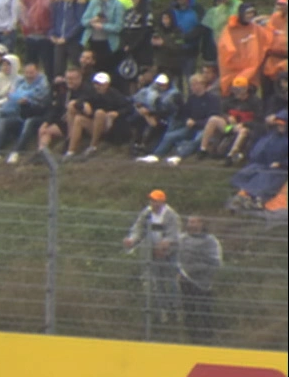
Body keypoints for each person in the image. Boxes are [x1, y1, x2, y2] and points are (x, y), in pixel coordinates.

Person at [122, 189, 181, 323]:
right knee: (157, 282)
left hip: (170, 254)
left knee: (171, 282)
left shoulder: (171, 215)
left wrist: (164, 246)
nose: (153, 203)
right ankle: (163, 312)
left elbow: (174, 235)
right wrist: (132, 240)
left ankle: (176, 310)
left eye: (156, 200)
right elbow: (138, 228)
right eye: (151, 200)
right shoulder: (147, 213)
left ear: (162, 201)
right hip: (153, 254)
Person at [175, 216, 222, 343]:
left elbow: (216, 261)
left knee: (205, 310)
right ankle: (191, 339)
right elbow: (174, 255)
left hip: (204, 282)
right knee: (188, 310)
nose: (191, 224)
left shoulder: (210, 241)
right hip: (185, 280)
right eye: (190, 221)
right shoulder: (182, 239)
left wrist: (200, 270)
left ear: (202, 223)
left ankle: (207, 339)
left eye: (194, 221)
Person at [65, 71, 125, 157]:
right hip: (94, 124)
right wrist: (83, 104)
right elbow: (79, 101)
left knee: (99, 113)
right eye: (96, 84)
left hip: (110, 125)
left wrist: (117, 113)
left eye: (100, 84)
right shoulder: (92, 93)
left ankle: (93, 146)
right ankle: (71, 151)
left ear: (107, 84)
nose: (97, 86)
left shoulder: (114, 94)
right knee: (78, 118)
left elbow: (128, 107)